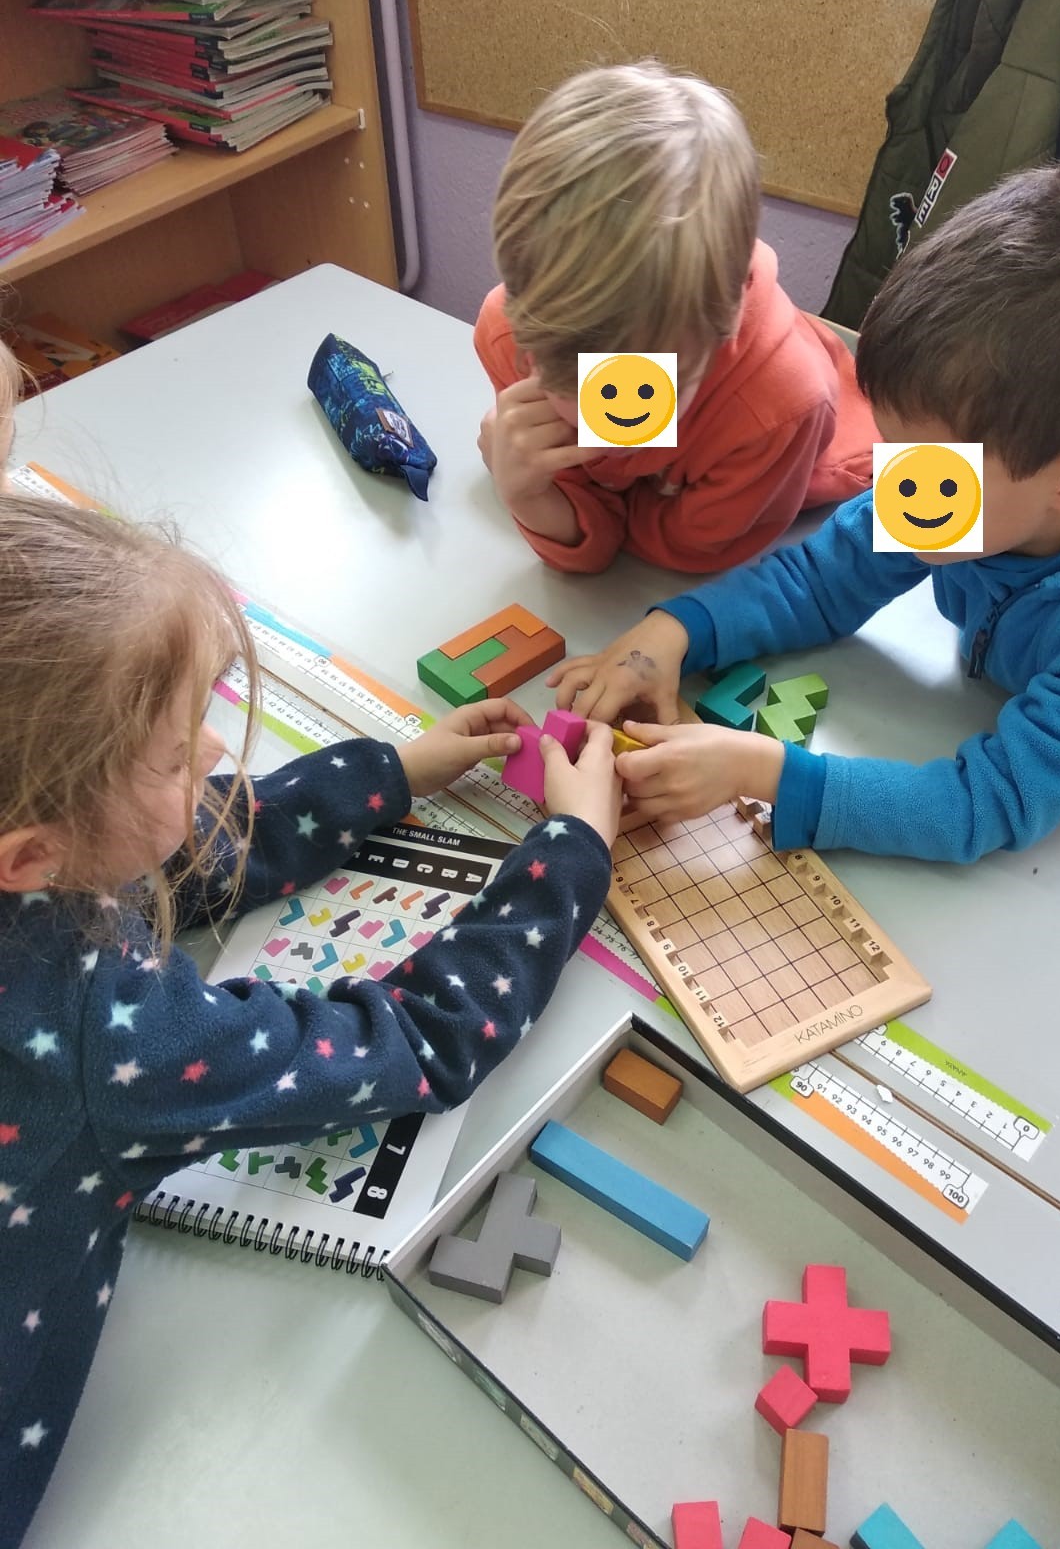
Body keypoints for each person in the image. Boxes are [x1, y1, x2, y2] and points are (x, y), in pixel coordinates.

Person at [0, 495, 620, 1546]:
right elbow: (421, 1037)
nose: (210, 751)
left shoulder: (33, 850)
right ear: (31, 857)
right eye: (172, 757)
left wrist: (394, 772)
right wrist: (572, 851)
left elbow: (167, 856)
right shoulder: (106, 1034)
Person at [550, 160, 1060, 862]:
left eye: (924, 468)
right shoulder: (962, 483)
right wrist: (674, 631)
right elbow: (821, 579)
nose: (893, 484)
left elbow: (989, 802)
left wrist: (767, 772)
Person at [474, 60, 878, 575]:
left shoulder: (781, 410)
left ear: (723, 322)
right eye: (566, 379)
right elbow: (588, 513)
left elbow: (687, 549)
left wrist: (581, 507)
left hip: (827, 464)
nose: (600, 422)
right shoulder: (508, 333)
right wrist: (529, 496)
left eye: (642, 388)